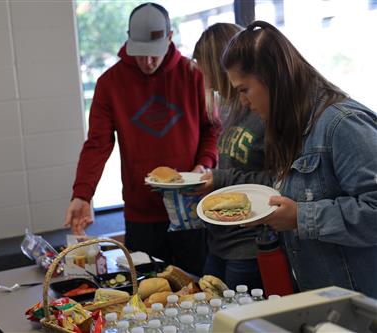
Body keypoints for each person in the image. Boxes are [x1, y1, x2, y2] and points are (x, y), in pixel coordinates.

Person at [221, 20, 377, 297]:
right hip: (325, 298)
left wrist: (301, 217)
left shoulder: (343, 124)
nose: (242, 102)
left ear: (272, 78)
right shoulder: (291, 126)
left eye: (244, 89)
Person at [64, 3, 220, 273]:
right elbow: (97, 145)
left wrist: (203, 165)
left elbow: (212, 128)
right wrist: (82, 194)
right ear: (128, 39)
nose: (147, 62)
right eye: (141, 54)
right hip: (141, 213)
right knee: (146, 291)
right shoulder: (110, 83)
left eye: (154, 55)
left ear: (170, 39)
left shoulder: (193, 75)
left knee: (197, 286)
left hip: (190, 209)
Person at [191, 23, 271, 290]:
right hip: (220, 242)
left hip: (249, 246)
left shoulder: (263, 111)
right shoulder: (231, 111)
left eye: (204, 69)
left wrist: (220, 179)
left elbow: (279, 180)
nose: (204, 78)